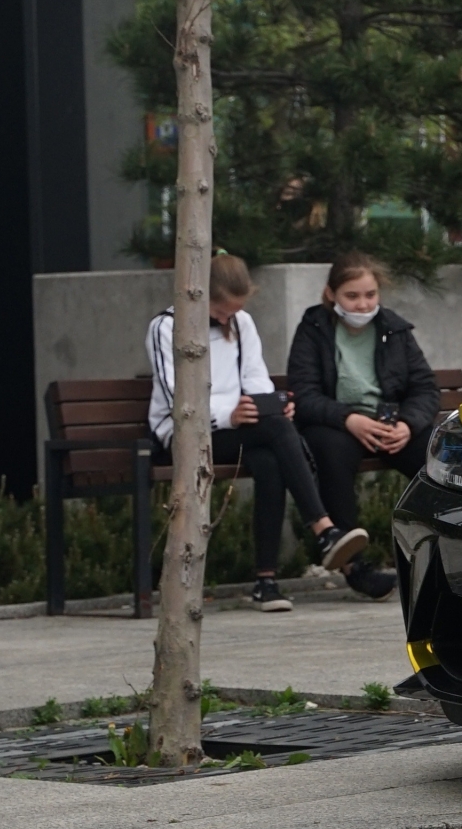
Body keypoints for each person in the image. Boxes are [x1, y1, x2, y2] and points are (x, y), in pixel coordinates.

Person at [146, 254, 367, 613]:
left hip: (242, 429)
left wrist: (271, 405)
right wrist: (229, 416)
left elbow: (255, 378)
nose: (227, 319)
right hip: (184, 434)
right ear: (200, 296)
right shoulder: (165, 327)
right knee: (277, 434)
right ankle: (323, 529)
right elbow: (177, 399)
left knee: (270, 458)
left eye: (234, 312)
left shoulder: (242, 321)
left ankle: (267, 581)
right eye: (220, 312)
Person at [287, 255, 440, 600]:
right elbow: (305, 394)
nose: (363, 304)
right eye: (352, 296)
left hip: (389, 424)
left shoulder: (394, 328)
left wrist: (407, 424)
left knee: (436, 454)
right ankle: (353, 565)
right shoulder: (313, 329)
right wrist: (348, 419)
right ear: (331, 294)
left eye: (370, 295)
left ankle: (444, 556)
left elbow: (426, 389)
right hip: (338, 424)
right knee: (331, 451)